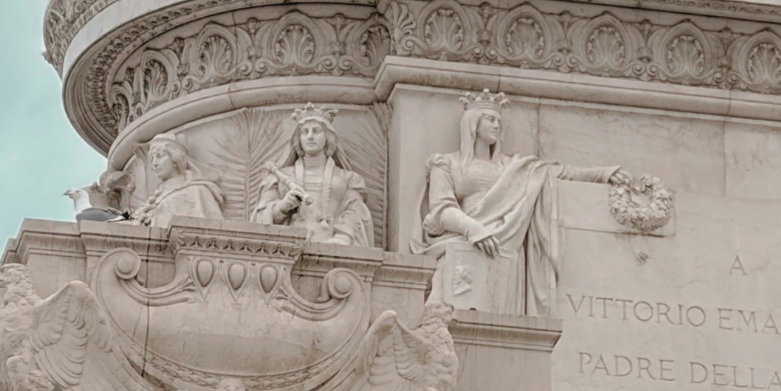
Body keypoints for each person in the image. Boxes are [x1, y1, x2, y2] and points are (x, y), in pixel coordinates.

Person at [414, 92, 627, 315]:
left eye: (498, 121)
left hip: (504, 246)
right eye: (490, 119)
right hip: (463, 242)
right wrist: (474, 229)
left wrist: (602, 173)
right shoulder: (447, 163)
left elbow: (558, 172)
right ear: (472, 124)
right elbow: (441, 209)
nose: (497, 126)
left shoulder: (515, 167)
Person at [251, 105, 374, 248]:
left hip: (335, 246)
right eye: (305, 132)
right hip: (287, 249)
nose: (310, 136)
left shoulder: (348, 179)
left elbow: (357, 213)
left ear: (327, 137)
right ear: (298, 139)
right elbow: (258, 219)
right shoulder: (278, 178)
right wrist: (282, 207)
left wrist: (343, 238)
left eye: (316, 131)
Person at [132, 134, 225, 228]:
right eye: (152, 158)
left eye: (160, 156)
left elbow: (214, 229)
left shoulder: (197, 191)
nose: (154, 163)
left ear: (175, 159)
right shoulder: (157, 197)